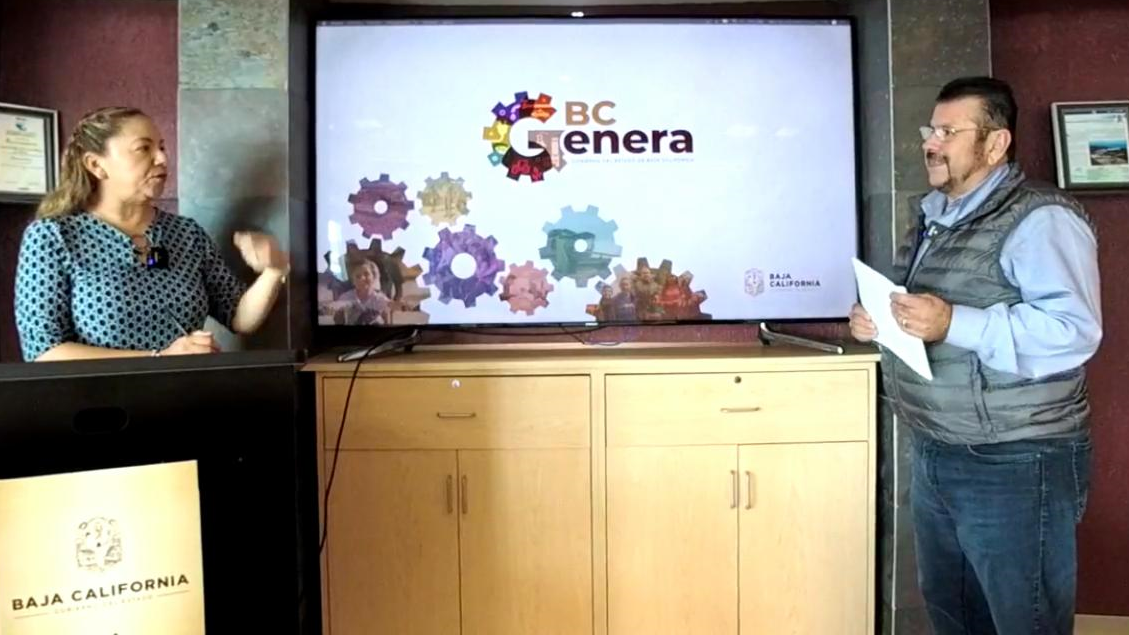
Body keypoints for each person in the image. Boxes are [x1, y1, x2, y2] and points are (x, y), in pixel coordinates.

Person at [850, 77, 1101, 635]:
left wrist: (951, 322)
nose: (930, 143)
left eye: (948, 132)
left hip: (1016, 457)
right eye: (930, 130)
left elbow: (1072, 331)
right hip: (938, 447)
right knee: (955, 613)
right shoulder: (934, 215)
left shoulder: (1041, 218)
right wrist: (879, 321)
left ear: (996, 143)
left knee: (1023, 619)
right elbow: (926, 309)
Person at [14, 106, 289, 361]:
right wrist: (159, 357)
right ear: (96, 165)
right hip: (103, 396)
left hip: (188, 392)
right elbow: (44, 350)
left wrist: (273, 270)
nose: (162, 158)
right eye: (143, 148)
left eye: (162, 147)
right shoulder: (53, 237)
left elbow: (239, 317)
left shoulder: (187, 233)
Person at [333, 258, 391, 325]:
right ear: (353, 281)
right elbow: (337, 315)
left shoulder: (379, 298)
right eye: (358, 276)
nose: (362, 278)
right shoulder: (347, 297)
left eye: (366, 274)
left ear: (373, 277)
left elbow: (386, 316)